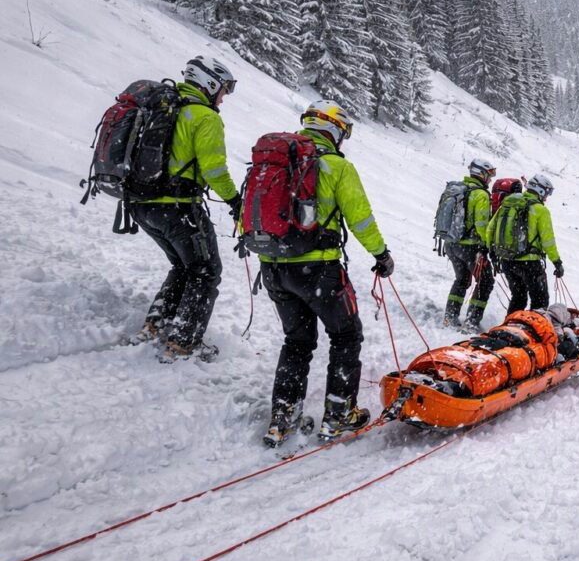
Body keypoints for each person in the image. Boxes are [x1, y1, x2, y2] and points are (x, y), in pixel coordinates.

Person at [260, 100, 393, 445]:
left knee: (297, 341)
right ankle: (338, 413)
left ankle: (282, 415)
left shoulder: (280, 160)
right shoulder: (336, 166)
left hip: (275, 267)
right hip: (319, 270)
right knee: (346, 336)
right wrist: (381, 254)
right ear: (335, 130)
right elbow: (360, 219)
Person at [129, 56, 240, 362]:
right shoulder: (205, 117)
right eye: (223, 90)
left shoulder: (164, 108)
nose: (223, 98)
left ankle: (155, 325)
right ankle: (182, 343)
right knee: (206, 271)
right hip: (177, 209)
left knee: (184, 266)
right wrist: (235, 200)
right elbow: (214, 169)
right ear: (209, 84)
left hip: (142, 205)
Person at [486, 173, 562, 313]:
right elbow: (548, 241)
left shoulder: (508, 204)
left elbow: (490, 229)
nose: (546, 197)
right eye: (546, 193)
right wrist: (557, 262)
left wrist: (492, 252)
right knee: (540, 300)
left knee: (518, 297)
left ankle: (509, 328)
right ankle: (532, 331)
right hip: (529, 263)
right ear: (540, 190)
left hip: (507, 261)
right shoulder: (540, 210)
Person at [443, 158, 496, 329]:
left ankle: (450, 317)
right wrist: (487, 246)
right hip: (470, 247)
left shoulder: (459, 190)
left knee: (461, 279)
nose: (490, 179)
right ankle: (471, 322)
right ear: (481, 173)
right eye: (489, 175)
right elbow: (482, 226)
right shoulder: (480, 194)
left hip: (451, 244)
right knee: (485, 282)